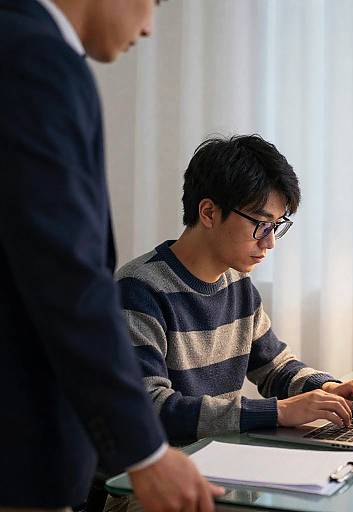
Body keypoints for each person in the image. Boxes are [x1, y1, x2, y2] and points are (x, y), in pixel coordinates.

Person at [0, 1, 223, 511]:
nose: (148, 28)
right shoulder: (36, 57)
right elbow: (65, 274)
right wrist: (145, 452)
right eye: (154, 3)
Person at [116, 134, 353, 444]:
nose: (269, 241)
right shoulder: (139, 290)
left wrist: (326, 389)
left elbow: (275, 368)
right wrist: (277, 412)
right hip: (160, 481)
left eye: (276, 226)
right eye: (261, 223)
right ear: (209, 213)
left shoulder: (237, 284)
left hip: (220, 463)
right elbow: (152, 408)